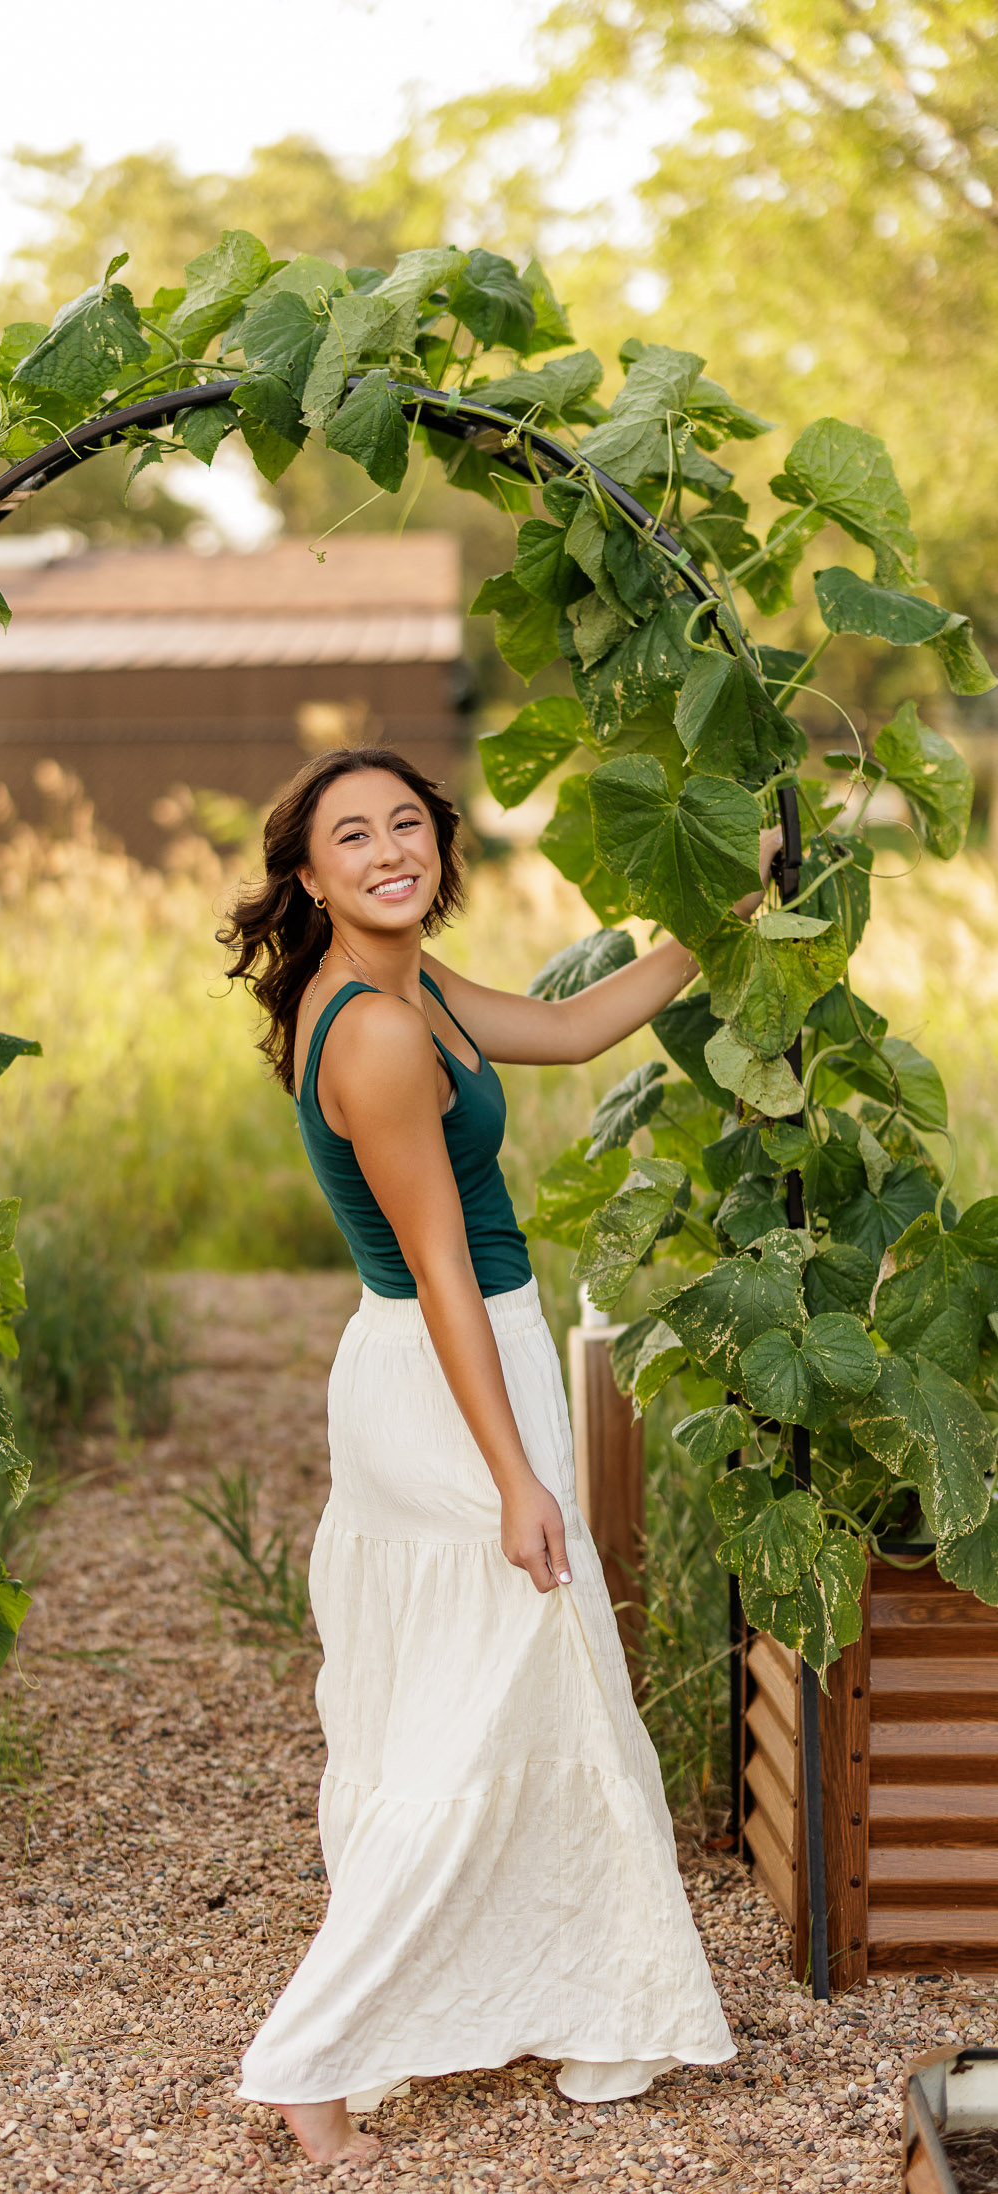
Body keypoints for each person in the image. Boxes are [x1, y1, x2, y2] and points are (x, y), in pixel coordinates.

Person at [218, 746, 777, 2167]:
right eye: (354, 834)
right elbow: (444, 1268)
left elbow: (583, 1027)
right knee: (493, 1703)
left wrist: (731, 919)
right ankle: (311, 2050)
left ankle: (577, 1999)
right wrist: (522, 1470)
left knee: (512, 1695)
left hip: (455, 1358)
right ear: (308, 874)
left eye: (409, 821)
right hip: (449, 1368)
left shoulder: (419, 987)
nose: (390, 848)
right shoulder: (376, 1034)